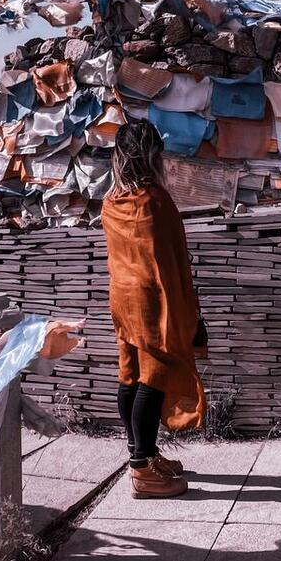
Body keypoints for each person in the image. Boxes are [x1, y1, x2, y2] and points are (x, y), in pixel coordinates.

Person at [100, 119, 207, 499]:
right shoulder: (155, 201)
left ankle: (141, 455)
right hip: (153, 301)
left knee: (129, 375)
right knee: (154, 376)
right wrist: (191, 313)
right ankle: (143, 469)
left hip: (123, 300)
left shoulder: (111, 203)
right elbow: (174, 261)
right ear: (153, 157)